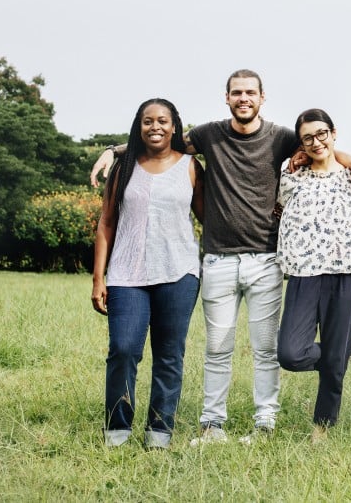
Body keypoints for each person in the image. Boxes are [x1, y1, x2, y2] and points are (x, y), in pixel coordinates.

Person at [91, 69, 351, 445]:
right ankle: (212, 425)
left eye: (250, 93)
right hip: (218, 259)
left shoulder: (282, 138)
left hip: (266, 259)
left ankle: (264, 423)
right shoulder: (209, 134)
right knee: (217, 348)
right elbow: (162, 141)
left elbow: (323, 149)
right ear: (227, 98)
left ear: (262, 97)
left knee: (265, 350)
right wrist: (112, 150)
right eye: (237, 93)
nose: (244, 99)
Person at [92, 98, 205, 449]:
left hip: (179, 271)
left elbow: (208, 219)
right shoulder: (124, 166)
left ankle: (159, 430)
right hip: (127, 273)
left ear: (175, 127)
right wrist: (99, 278)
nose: (155, 127)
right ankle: (117, 429)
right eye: (147, 121)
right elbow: (106, 222)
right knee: (123, 348)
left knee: (170, 353)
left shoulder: (190, 166)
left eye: (162, 121)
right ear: (139, 126)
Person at [275, 109, 351, 444]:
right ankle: (342, 349)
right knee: (290, 352)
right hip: (303, 274)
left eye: (321, 134)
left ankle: (322, 427)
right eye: (308, 138)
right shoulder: (291, 177)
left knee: (333, 362)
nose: (316, 142)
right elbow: (281, 212)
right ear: (301, 144)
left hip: (345, 273)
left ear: (333, 132)